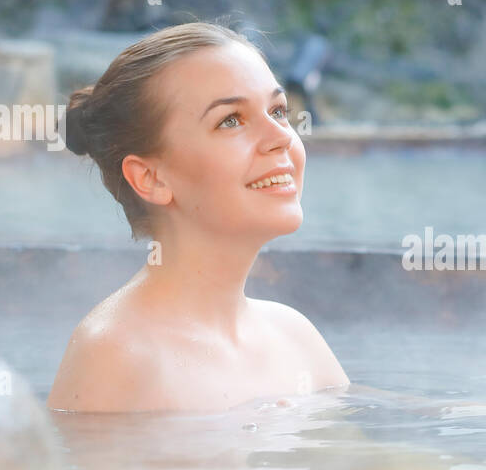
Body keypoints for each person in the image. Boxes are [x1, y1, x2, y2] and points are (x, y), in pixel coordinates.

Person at [47, 22, 348, 412]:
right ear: (151, 177)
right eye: (231, 120)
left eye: (278, 111)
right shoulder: (117, 355)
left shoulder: (294, 336)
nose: (281, 137)